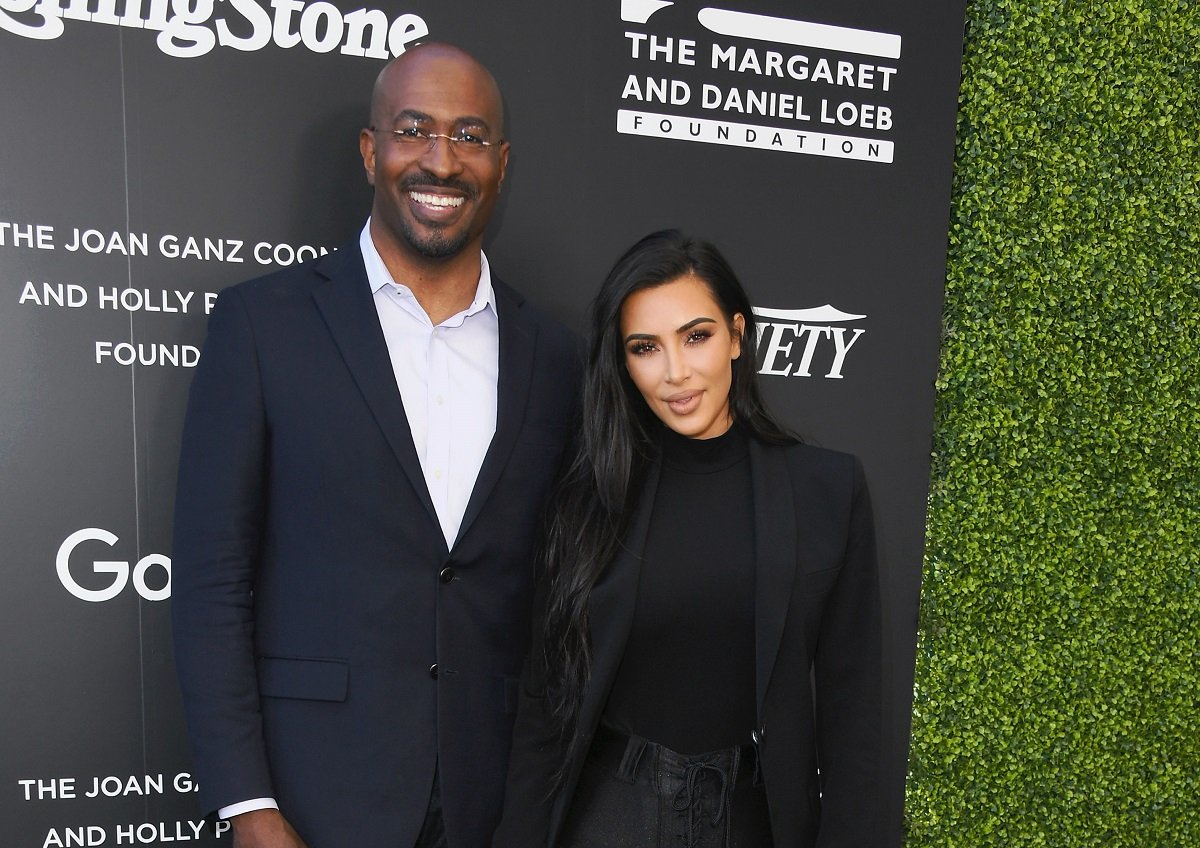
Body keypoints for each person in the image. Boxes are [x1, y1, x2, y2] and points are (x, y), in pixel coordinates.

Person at [171, 43, 580, 848]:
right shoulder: (262, 326)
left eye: (468, 135)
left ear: (500, 162)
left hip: (495, 805)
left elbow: (556, 599)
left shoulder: (557, 358)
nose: (440, 161)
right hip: (310, 800)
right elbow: (214, 580)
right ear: (371, 151)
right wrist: (247, 805)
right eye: (413, 130)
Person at [493, 230, 883, 847]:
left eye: (696, 336)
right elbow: (544, 705)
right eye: (645, 348)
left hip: (752, 822)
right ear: (623, 364)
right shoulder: (586, 494)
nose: (675, 373)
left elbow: (855, 713)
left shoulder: (828, 490)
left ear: (736, 333)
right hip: (607, 819)